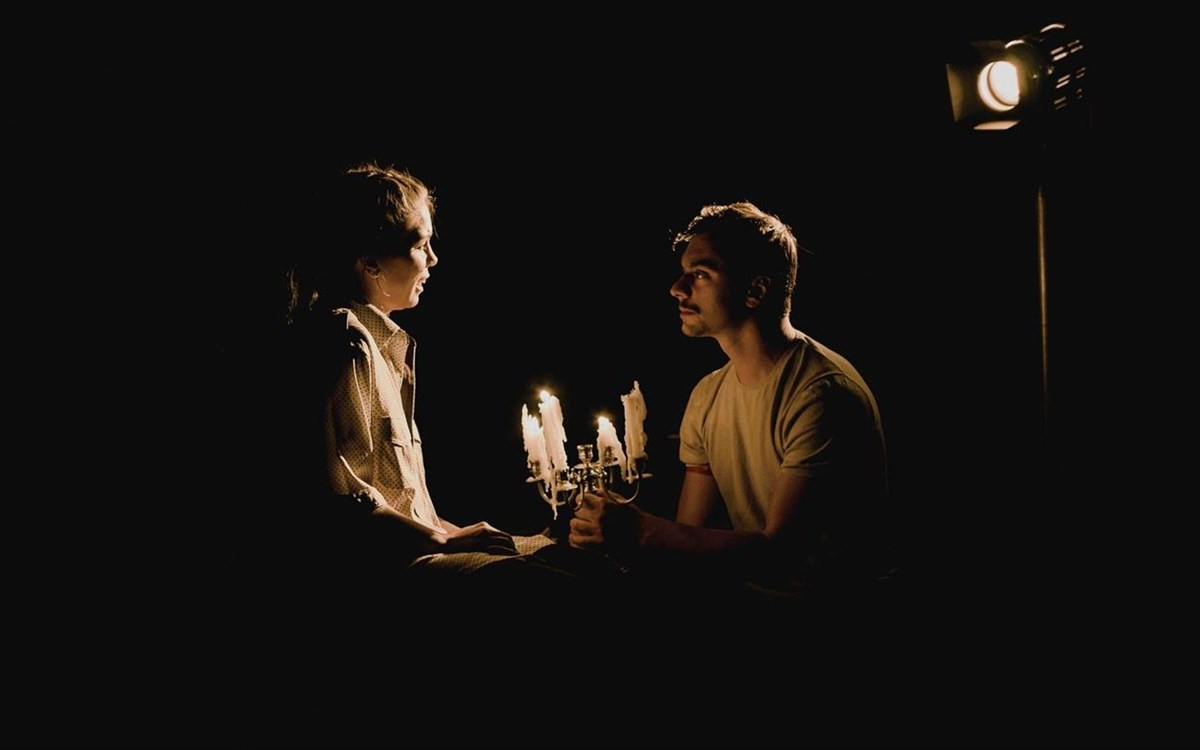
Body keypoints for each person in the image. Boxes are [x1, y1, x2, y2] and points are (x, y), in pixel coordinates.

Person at [268, 161, 622, 625]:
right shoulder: (345, 342)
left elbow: (405, 502)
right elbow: (343, 503)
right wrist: (443, 540)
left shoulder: (383, 348)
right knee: (580, 593)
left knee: (591, 564)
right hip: (393, 574)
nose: (433, 259)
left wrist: (471, 534)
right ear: (370, 261)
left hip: (424, 554)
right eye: (420, 244)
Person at [569, 201, 894, 619]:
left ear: (755, 291)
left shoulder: (821, 394)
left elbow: (780, 551)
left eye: (701, 274)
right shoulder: (707, 395)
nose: (677, 288)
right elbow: (690, 537)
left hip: (838, 611)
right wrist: (616, 534)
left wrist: (642, 530)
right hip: (753, 603)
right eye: (684, 272)